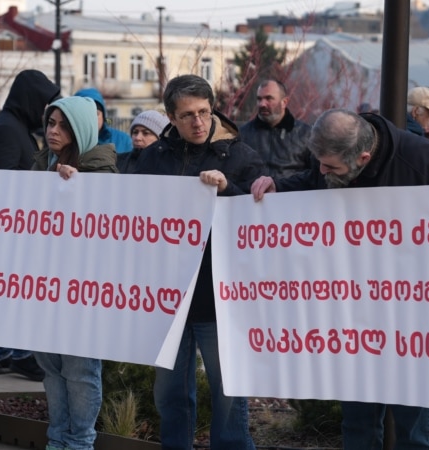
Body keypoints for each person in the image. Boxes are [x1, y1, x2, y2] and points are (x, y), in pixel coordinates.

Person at [251, 109, 429, 449]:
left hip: (410, 326)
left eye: (331, 167)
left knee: (412, 431)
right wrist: (276, 186)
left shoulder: (420, 159)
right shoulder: (333, 162)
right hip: (355, 322)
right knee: (357, 425)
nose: (322, 171)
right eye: (320, 163)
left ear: (362, 157)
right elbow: (311, 182)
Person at [126, 74, 265, 449]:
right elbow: (128, 210)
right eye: (187, 115)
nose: (198, 122)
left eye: (204, 111)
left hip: (218, 298)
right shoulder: (153, 158)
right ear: (171, 117)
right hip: (168, 298)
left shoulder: (238, 154)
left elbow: (263, 215)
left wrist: (228, 191)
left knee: (228, 392)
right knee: (170, 395)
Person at [32, 96, 117, 450]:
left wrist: (78, 190)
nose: (53, 131)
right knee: (51, 367)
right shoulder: (40, 165)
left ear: (80, 130)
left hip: (83, 289)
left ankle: (80, 442)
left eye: (63, 125)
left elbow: (108, 226)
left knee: (81, 371)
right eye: (50, 123)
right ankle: (57, 440)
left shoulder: (102, 171)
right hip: (42, 284)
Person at [0, 69, 58, 381]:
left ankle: (6, 353)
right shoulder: (7, 130)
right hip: (12, 232)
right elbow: (1, 184)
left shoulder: (14, 127)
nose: (45, 116)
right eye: (43, 106)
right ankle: (19, 355)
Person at [0, 69, 61, 170]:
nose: (44, 111)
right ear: (33, 101)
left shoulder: (16, 126)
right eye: (42, 103)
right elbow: (2, 180)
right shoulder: (6, 130)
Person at [238, 79, 312, 177]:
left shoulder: (306, 134)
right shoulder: (243, 135)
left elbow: (314, 176)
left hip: (291, 192)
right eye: (259, 99)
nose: (262, 104)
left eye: (268, 98)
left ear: (284, 102)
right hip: (252, 191)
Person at [74, 87, 134, 154]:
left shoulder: (123, 140)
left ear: (103, 116)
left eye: (96, 114)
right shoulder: (67, 141)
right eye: (87, 114)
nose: (92, 119)